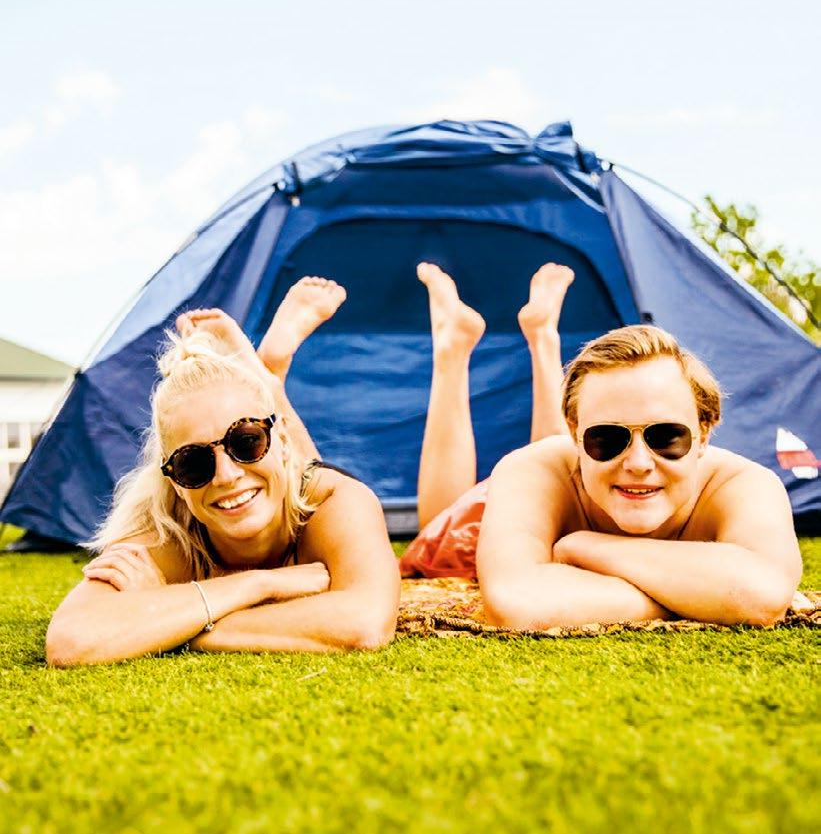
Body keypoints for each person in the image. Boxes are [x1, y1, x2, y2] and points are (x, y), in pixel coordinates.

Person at [403, 263, 802, 630]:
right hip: (531, 498)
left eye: (666, 436)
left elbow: (763, 595)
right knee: (441, 528)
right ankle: (454, 349)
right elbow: (515, 603)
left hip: (574, 493)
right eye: (606, 439)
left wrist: (584, 547)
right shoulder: (527, 471)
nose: (640, 462)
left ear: (704, 432)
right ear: (576, 435)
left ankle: (542, 339)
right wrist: (704, 597)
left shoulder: (743, 484)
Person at [46, 278, 400, 666]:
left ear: (280, 440)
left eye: (246, 442)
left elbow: (364, 623)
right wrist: (258, 584)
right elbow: (71, 642)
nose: (226, 475)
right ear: (175, 483)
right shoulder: (165, 531)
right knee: (265, 470)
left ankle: (269, 376)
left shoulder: (336, 499)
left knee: (299, 467)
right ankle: (262, 385)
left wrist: (167, 618)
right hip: (271, 475)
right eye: (193, 463)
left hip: (299, 484)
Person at [399, 261, 574, 578]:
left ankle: (455, 350)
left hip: (494, 525)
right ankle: (544, 339)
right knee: (551, 493)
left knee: (446, 533)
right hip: (542, 519)